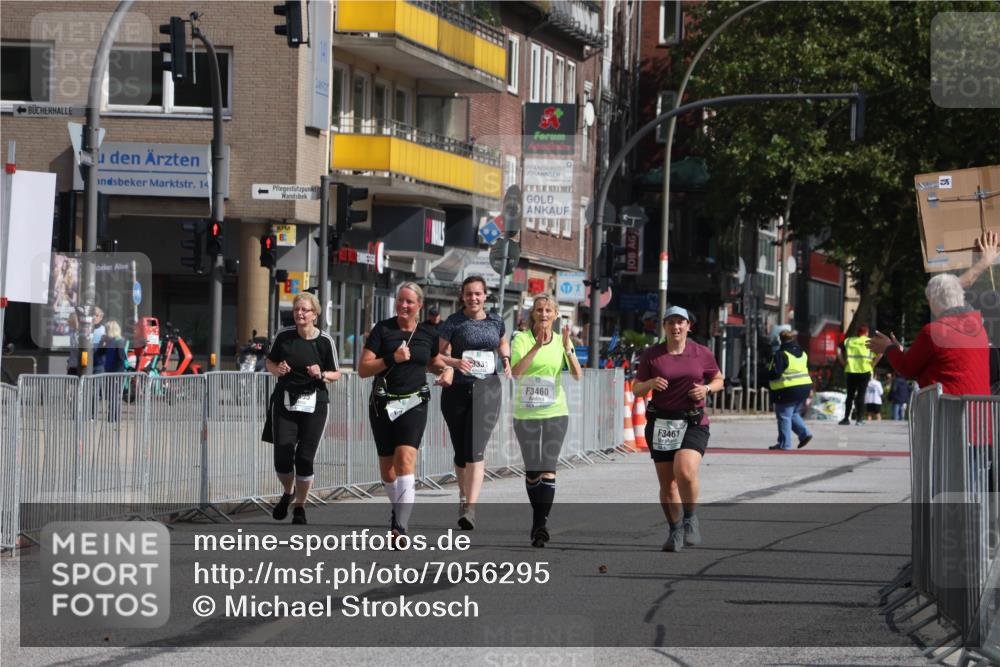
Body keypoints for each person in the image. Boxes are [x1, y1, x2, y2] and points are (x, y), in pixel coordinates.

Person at [359, 283, 452, 539]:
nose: (403, 305)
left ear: (419, 306)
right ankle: (398, 508)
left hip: (414, 402)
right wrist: (392, 358)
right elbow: (363, 369)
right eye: (400, 300)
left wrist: (447, 370)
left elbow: (432, 361)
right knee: (388, 470)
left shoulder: (427, 334)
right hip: (383, 403)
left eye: (409, 302)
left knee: (405, 460)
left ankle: (400, 525)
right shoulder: (383, 330)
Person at [633, 306, 724, 553]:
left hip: (693, 422)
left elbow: (719, 380)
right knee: (668, 484)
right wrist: (650, 383)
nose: (676, 327)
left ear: (688, 326)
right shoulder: (652, 355)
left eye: (680, 322)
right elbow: (636, 389)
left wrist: (706, 389)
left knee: (684, 470)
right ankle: (674, 530)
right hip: (661, 423)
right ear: (664, 326)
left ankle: (690, 518)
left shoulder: (701, 353)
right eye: (671, 322)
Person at [438, 275, 512, 530]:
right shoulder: (453, 322)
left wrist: (505, 360)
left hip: (488, 390)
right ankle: (463, 495)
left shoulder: (495, 320)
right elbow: (440, 353)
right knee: (461, 451)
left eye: (478, 294)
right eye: (469, 294)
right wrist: (453, 364)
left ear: (485, 295)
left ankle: (471, 507)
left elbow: (502, 342)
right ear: (462, 297)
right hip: (457, 391)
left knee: (476, 449)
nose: (473, 298)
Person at [510, 293, 583, 547]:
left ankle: (540, 525)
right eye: (539, 310)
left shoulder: (562, 341)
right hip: (526, 414)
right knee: (532, 471)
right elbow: (516, 374)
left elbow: (577, 375)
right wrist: (536, 347)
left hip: (555, 412)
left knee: (548, 467)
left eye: (548, 311)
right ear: (533, 314)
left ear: (555, 315)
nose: (543, 314)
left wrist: (567, 348)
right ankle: (538, 519)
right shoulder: (521, 338)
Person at [265, 293, 341, 525]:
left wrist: (322, 374)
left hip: (315, 404)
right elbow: (270, 362)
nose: (299, 313)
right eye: (297, 309)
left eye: (304, 310)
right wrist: (278, 369)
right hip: (286, 402)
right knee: (283, 458)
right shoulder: (284, 336)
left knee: (305, 458)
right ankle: (289, 493)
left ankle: (300, 506)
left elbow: (336, 373)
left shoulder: (325, 341)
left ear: (315, 315)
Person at [868, 273, 989, 396]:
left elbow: (907, 368)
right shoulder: (980, 331)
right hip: (980, 411)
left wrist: (888, 348)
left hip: (946, 410)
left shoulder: (934, 331)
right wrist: (903, 352)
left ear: (934, 300)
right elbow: (945, 361)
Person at [767, 329, 814, 450]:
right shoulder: (803, 353)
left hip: (788, 389)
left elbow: (775, 373)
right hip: (805, 388)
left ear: (780, 340)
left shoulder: (781, 354)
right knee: (792, 413)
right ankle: (805, 434)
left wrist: (766, 373)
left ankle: (785, 444)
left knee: (784, 416)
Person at [837, 324, 881, 425]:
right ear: (866, 333)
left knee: (850, 395)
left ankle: (846, 418)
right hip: (865, 371)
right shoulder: (870, 342)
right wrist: (873, 363)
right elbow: (880, 353)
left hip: (851, 370)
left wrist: (843, 362)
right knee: (861, 395)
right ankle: (859, 419)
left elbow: (838, 350)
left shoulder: (849, 341)